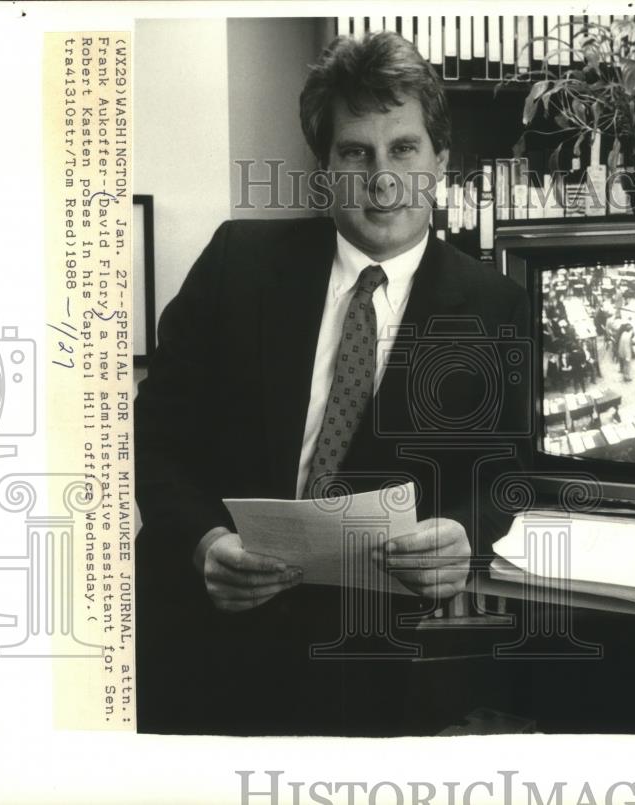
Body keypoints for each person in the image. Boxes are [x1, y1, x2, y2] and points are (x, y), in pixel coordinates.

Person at [134, 31, 531, 736]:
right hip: (201, 641)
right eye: (356, 152)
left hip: (369, 666)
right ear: (325, 169)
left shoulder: (497, 308)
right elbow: (153, 437)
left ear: (441, 161)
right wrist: (202, 542)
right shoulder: (237, 261)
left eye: (403, 149)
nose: (382, 179)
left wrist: (466, 536)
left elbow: (511, 471)